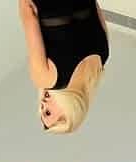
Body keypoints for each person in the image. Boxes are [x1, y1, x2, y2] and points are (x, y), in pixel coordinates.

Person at [19, 0, 110, 133]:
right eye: (48, 112)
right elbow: (28, 13)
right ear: (69, 113)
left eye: (41, 109)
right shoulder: (45, 79)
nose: (42, 104)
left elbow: (94, 6)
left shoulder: (102, 57)